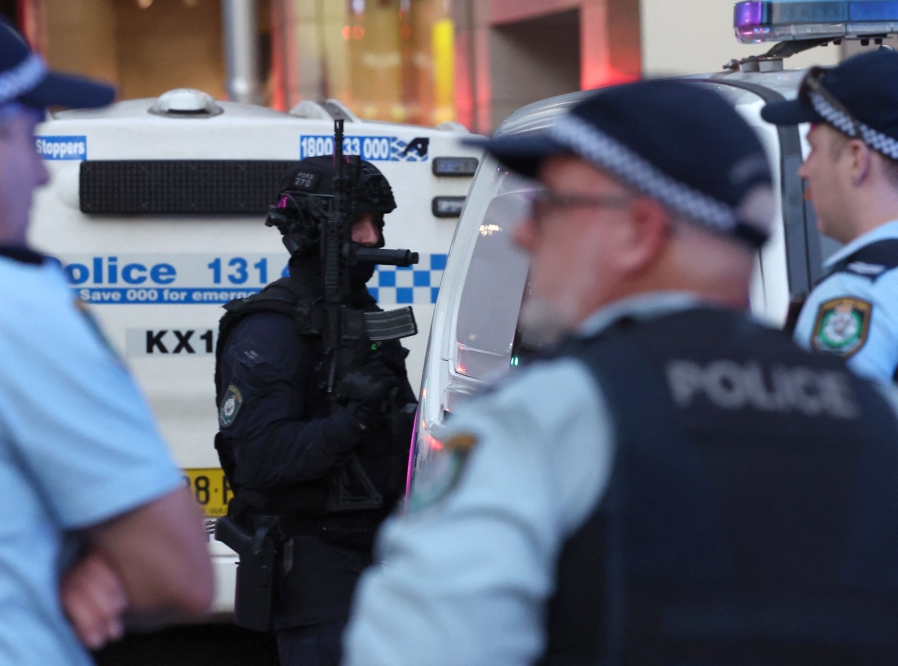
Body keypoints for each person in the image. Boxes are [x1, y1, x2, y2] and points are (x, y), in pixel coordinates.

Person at [343, 80, 898, 665]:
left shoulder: (542, 419)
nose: (525, 233)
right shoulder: (872, 414)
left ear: (639, 232)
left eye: (553, 205)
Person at [0, 2, 213, 664]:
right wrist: (74, 562)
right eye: (31, 137)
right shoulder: (1, 306)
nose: (42, 174)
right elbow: (179, 575)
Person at [214, 155, 417, 666]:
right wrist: (353, 419)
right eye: (357, 224)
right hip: (315, 573)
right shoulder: (271, 330)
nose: (372, 238)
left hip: (380, 561)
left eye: (377, 222)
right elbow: (262, 458)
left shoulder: (363, 315)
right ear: (311, 232)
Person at [762, 51, 898, 382]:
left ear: (856, 160)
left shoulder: (857, 296)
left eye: (814, 149)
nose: (804, 170)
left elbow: (828, 416)